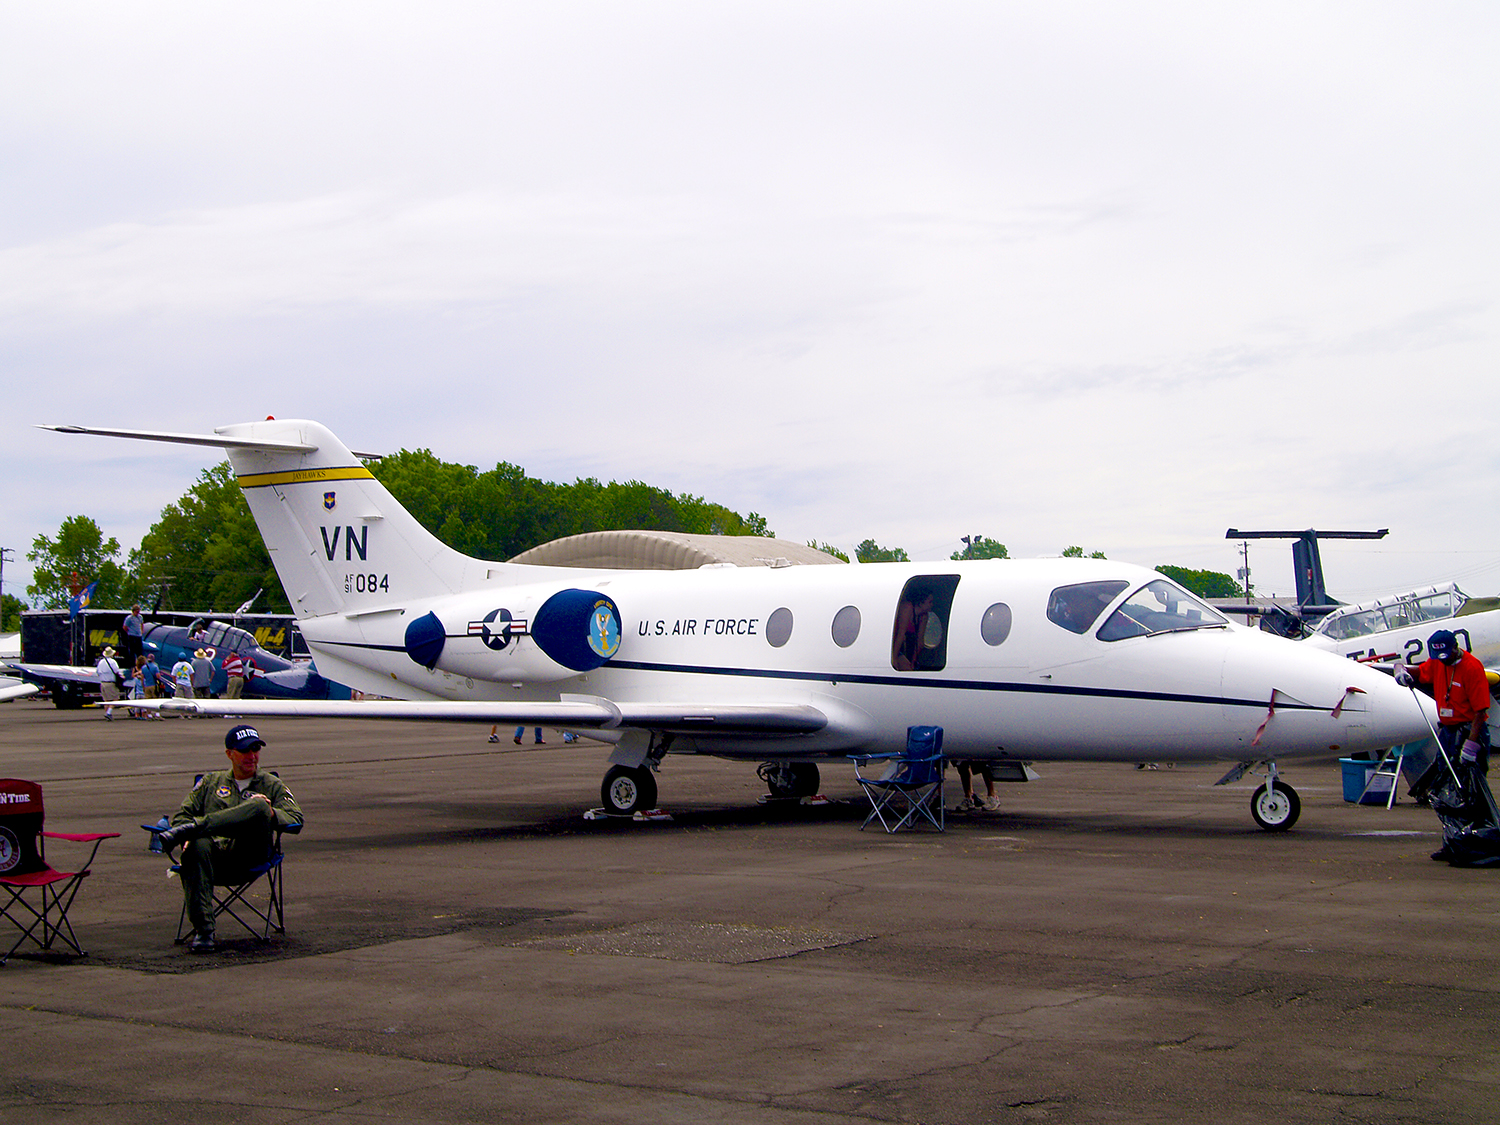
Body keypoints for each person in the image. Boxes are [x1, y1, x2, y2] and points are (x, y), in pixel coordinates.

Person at [155, 725, 304, 952]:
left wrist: (271, 812)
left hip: (250, 854)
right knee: (196, 843)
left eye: (256, 749)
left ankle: (197, 827)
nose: (252, 756)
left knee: (258, 805)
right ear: (229, 754)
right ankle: (204, 931)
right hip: (211, 860)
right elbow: (182, 815)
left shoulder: (271, 784)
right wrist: (187, 837)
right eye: (245, 750)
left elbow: (296, 819)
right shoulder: (210, 783)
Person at [1397, 629, 1492, 862]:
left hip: (1470, 731)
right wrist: (1401, 670)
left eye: (1447, 656)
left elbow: (1481, 711)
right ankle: (1452, 841)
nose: (1443, 661)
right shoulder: (1438, 662)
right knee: (1446, 789)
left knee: (1469, 790)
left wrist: (1471, 746)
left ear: (1455, 647)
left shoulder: (1472, 667)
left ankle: (1479, 841)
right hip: (1448, 731)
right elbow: (1422, 671)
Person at [892, 588, 935, 671]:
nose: (932, 605)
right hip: (893, 645)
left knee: (909, 669)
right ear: (921, 602)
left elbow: (920, 642)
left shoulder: (923, 616)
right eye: (930, 602)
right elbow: (900, 634)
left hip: (901, 648)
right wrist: (893, 659)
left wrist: (913, 662)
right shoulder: (907, 607)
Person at [95, 646, 122, 720]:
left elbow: (97, 672)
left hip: (102, 683)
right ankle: (108, 713)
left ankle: (107, 714)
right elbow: (117, 671)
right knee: (115, 699)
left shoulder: (101, 662)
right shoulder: (113, 662)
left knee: (106, 700)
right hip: (111, 683)